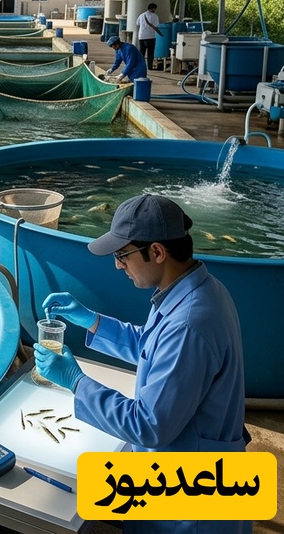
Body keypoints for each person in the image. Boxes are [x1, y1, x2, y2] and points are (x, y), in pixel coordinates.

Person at [35, 193, 249, 534]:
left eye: (123, 255)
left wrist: (76, 381)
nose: (118, 265)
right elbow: (153, 346)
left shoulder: (188, 324)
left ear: (158, 252)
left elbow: (148, 425)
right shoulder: (195, 289)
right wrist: (92, 320)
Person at [136, 2, 164, 70]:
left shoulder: (141, 15)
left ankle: (140, 66)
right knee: (150, 53)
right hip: (151, 36)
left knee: (142, 53)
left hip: (141, 36)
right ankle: (150, 67)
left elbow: (137, 24)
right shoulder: (155, 16)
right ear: (153, 8)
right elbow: (157, 25)